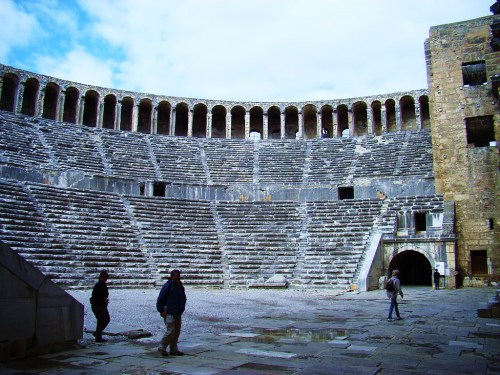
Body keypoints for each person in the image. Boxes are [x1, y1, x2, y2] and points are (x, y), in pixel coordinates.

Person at [156, 269, 187, 356]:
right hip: (169, 312)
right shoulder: (168, 286)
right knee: (170, 331)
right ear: (172, 276)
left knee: (176, 332)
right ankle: (162, 347)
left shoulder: (179, 285)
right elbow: (161, 298)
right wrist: (161, 310)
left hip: (178, 312)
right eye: (177, 275)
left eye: (179, 275)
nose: (179, 277)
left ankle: (173, 349)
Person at [90, 270, 110, 342]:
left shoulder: (103, 284)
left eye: (106, 278)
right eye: (104, 278)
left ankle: (97, 333)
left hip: (102, 305)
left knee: (106, 319)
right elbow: (95, 296)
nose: (105, 279)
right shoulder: (98, 285)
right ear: (101, 277)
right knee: (101, 320)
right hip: (97, 306)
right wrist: (103, 299)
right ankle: (98, 337)